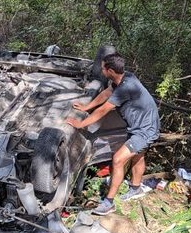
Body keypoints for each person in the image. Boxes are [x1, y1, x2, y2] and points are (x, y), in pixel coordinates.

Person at [66, 53, 160, 215]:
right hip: (142, 125)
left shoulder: (126, 88)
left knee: (117, 159)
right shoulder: (125, 77)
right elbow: (107, 93)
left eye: (103, 68)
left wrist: (80, 124)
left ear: (110, 70)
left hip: (145, 129)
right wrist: (86, 107)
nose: (101, 70)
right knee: (138, 156)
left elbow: (104, 109)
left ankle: (108, 203)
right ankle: (136, 188)